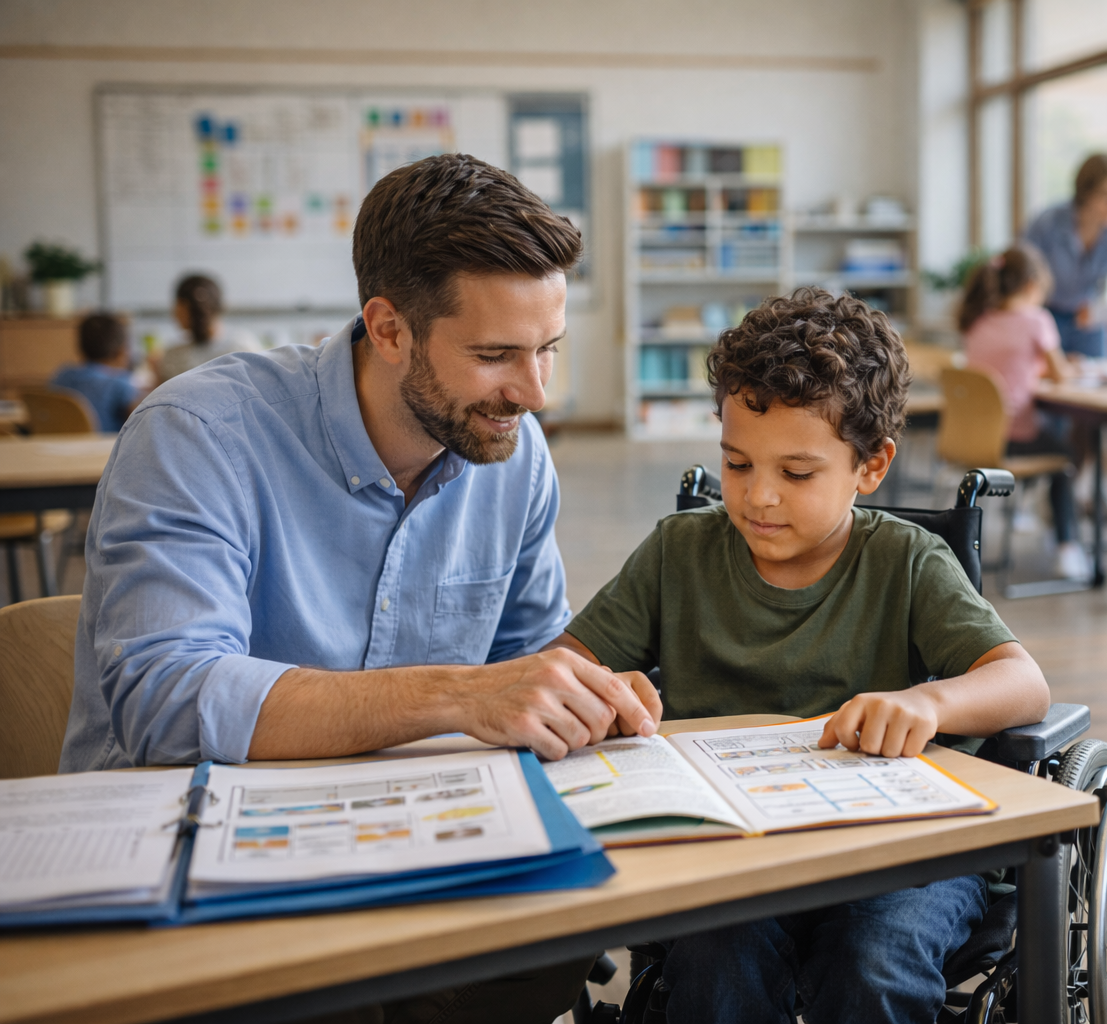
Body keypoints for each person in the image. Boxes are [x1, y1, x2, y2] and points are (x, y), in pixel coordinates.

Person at [58, 154, 660, 1024]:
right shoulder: (197, 435)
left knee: (553, 949)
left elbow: (526, 660)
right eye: (495, 355)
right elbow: (164, 702)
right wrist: (457, 694)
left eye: (549, 351)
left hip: (402, 836)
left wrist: (579, 698)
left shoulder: (514, 455)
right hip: (184, 862)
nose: (534, 395)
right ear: (387, 329)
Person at [550, 287, 1053, 1024]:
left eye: (796, 473)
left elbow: (1024, 682)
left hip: (891, 854)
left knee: (873, 964)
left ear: (871, 466)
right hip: (733, 853)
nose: (758, 497)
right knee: (717, 965)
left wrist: (927, 702)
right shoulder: (678, 552)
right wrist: (597, 687)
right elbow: (560, 668)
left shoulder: (906, 562)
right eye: (736, 463)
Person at [959, 244, 1089, 580]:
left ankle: (1028, 514)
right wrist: (1073, 369)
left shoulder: (979, 320)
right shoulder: (1037, 321)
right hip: (1016, 437)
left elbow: (1004, 371)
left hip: (975, 439)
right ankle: (1067, 546)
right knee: (1066, 458)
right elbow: (1060, 375)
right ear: (1032, 284)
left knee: (1052, 437)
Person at [1023, 152, 1107, 360]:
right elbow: (1023, 272)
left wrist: (1099, 311)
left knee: (1094, 382)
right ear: (1086, 193)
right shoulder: (1047, 223)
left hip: (1091, 322)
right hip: (1047, 314)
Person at [156, 273, 264, 382]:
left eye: (178, 307)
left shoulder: (240, 347)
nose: (174, 314)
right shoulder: (173, 355)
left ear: (189, 308)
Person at [50, 312, 141, 431]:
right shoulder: (119, 384)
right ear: (121, 351)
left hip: (59, 446)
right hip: (102, 448)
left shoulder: (62, 376)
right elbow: (141, 423)